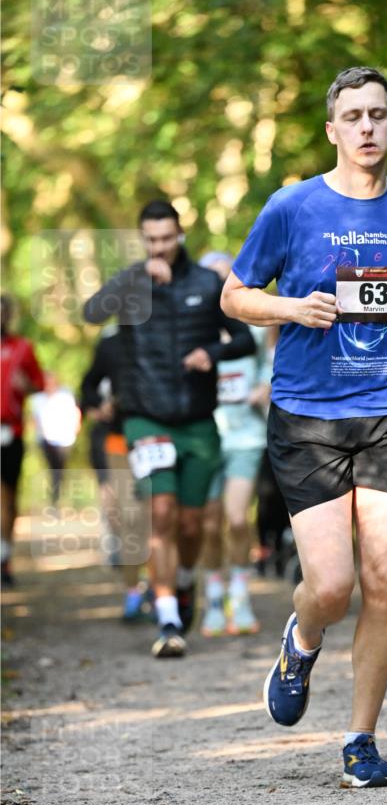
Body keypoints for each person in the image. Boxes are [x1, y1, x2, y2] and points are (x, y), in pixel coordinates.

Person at [222, 67, 387, 787]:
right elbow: (235, 296)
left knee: (385, 574)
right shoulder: (292, 207)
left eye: (378, 115)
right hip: (308, 416)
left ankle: (361, 740)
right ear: (332, 130)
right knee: (331, 588)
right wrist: (291, 309)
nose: (367, 127)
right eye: (354, 116)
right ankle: (302, 640)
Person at [84, 200, 255, 658]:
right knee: (161, 512)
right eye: (151, 240)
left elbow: (244, 339)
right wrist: (133, 277)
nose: (159, 247)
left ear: (180, 235)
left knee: (192, 524)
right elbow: (91, 312)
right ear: (143, 240)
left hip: (198, 422)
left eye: (166, 238)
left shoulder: (207, 283)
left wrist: (211, 354)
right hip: (146, 418)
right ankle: (167, 619)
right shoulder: (130, 284)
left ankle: (182, 583)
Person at [197, 252, 273, 637]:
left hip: (246, 434)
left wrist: (264, 386)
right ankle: (214, 598)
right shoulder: (194, 329)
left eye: (224, 277)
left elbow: (272, 362)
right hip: (206, 433)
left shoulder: (253, 326)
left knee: (238, 517)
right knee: (209, 525)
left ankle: (240, 598)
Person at [80, 325, 152, 621]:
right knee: (130, 517)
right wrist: (98, 406)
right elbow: (87, 386)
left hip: (160, 437)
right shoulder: (110, 343)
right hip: (119, 441)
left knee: (158, 518)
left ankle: (164, 590)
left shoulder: (165, 334)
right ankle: (133, 591)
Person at [1, 293, 45, 586]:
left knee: (8, 495)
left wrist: (25, 385)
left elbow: (39, 385)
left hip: (10, 432)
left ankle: (4, 556)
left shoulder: (22, 348)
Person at [31, 373, 81, 507]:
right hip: (46, 440)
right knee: (54, 469)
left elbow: (75, 412)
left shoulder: (65, 394)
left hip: (65, 439)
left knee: (60, 470)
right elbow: (35, 419)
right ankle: (55, 500)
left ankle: (57, 499)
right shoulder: (38, 398)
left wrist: (75, 427)